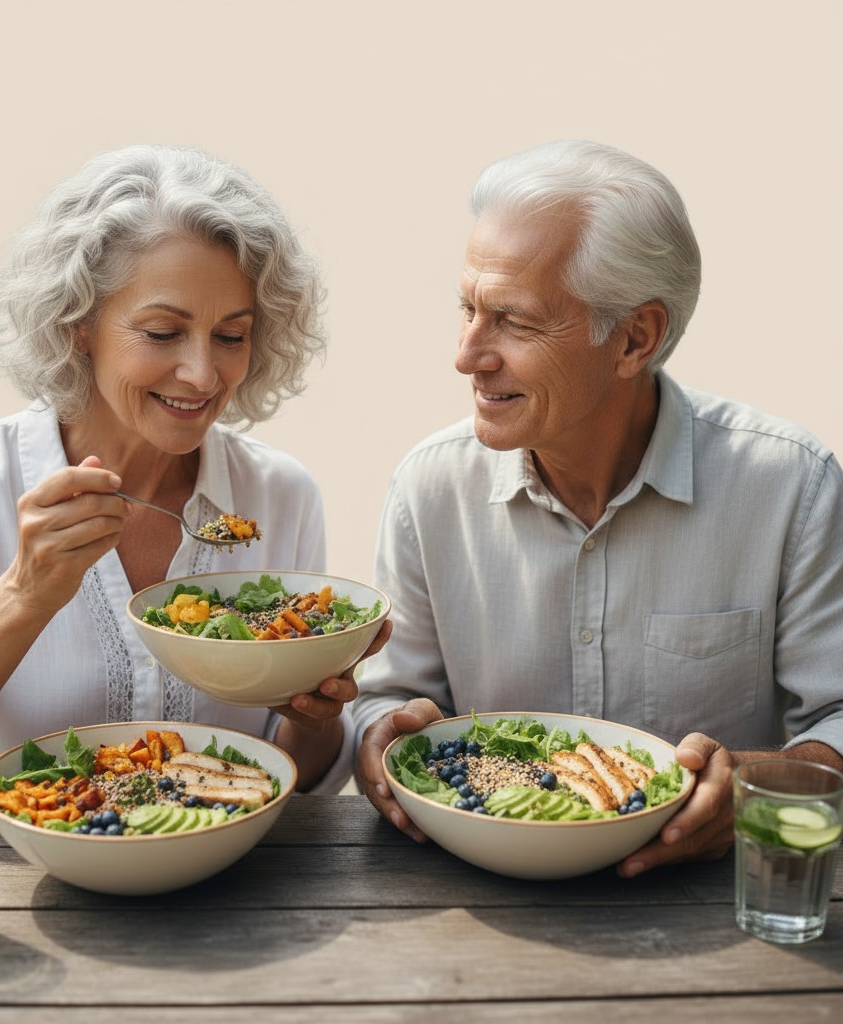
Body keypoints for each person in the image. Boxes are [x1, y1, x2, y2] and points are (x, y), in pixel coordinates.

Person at [0, 144, 386, 804]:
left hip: (231, 892)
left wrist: (311, 713)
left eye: (231, 336)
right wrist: (24, 592)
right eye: (161, 332)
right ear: (79, 324)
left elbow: (302, 785)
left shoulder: (280, 496)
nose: (203, 374)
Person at [353, 139, 843, 876]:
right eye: (468, 309)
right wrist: (382, 733)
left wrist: (749, 787)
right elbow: (385, 704)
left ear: (634, 338)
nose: (467, 354)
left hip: (716, 910)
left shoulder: (789, 486)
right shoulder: (429, 490)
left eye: (513, 321)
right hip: (473, 909)